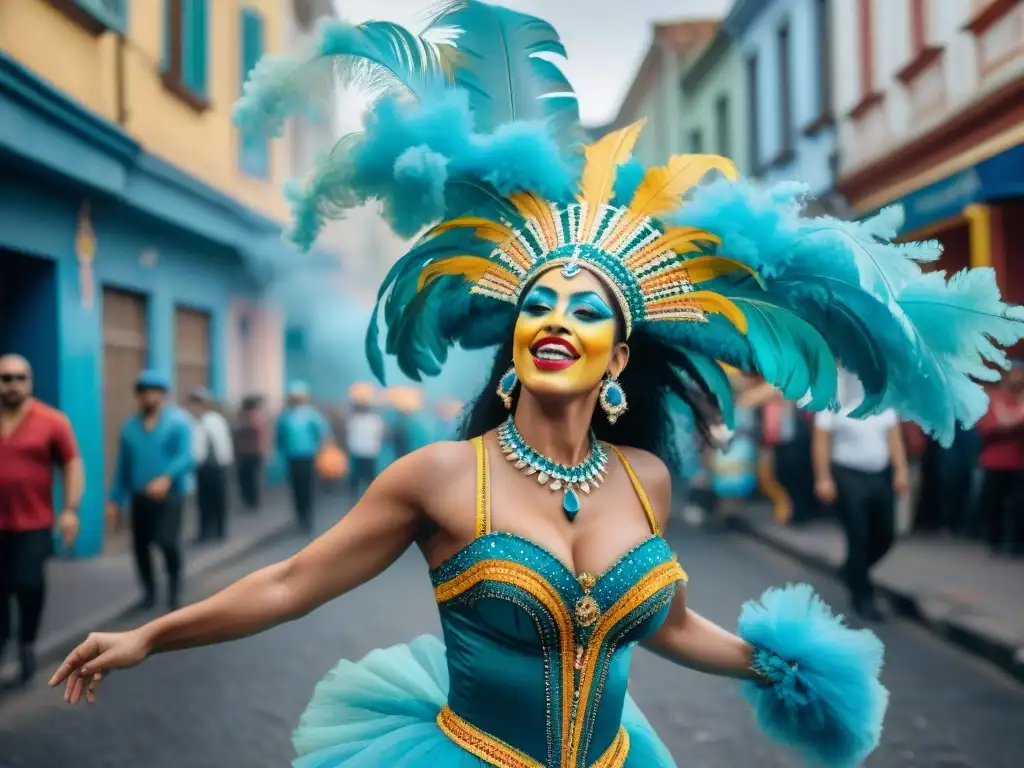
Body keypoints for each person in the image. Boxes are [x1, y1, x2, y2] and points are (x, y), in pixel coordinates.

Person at [51, 5, 1024, 767]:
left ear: (615, 360)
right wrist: (150, 636)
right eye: (538, 304)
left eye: (587, 310)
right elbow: (291, 580)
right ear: (513, 342)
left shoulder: (644, 475)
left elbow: (669, 623)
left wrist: (778, 663)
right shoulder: (439, 477)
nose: (557, 318)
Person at [0, 354, 83, 685]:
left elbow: (72, 464)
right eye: (6, 378)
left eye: (21, 377)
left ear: (30, 382)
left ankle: (27, 643)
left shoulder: (52, 421)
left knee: (29, 585)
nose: (13, 384)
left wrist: (70, 509)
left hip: (33, 524)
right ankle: (4, 638)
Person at [812, 370, 910, 621]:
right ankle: (863, 598)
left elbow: (893, 436)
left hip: (879, 474)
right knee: (859, 535)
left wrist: (901, 469)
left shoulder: (881, 396)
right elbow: (821, 440)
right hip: (848, 474)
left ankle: (852, 570)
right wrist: (823, 478)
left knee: (886, 534)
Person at [107, 371, 194, 612]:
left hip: (170, 495)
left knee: (167, 542)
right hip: (140, 496)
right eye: (143, 391)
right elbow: (123, 465)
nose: (148, 396)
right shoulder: (130, 428)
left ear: (163, 394)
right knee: (140, 546)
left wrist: (167, 477)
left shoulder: (178, 422)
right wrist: (115, 498)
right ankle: (149, 593)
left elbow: (186, 456)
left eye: (154, 391)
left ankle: (175, 592)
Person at [976, 362, 1024, 556]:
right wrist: (1015, 423)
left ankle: (1016, 544)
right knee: (994, 503)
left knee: (1020, 506)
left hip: (1019, 463)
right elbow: (987, 427)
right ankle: (994, 542)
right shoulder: (993, 399)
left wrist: (1008, 423)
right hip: (995, 461)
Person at [276, 382, 331, 533]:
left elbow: (323, 433)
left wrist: (321, 450)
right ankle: (299, 516)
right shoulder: (286, 416)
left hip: (308, 456)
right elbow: (280, 436)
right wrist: (280, 452)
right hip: (291, 457)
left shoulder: (312, 415)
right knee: (295, 488)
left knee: (307, 487)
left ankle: (307, 517)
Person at [187, 388, 234, 542]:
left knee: (219, 498)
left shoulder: (215, 420)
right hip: (201, 467)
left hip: (217, 466)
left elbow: (223, 443)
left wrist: (225, 462)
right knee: (203, 500)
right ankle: (205, 531)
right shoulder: (193, 422)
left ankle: (221, 529)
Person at [233, 395, 268, 512]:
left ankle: (253, 501)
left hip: (254, 452)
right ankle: (247, 499)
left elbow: (258, 430)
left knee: (252, 478)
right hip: (243, 453)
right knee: (244, 478)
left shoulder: (256, 416)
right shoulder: (242, 416)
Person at [346, 399, 385, 499]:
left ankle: (363, 497)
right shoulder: (372, 420)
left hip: (364, 452)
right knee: (360, 477)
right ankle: (362, 497)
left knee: (363, 477)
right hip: (364, 452)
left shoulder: (355, 419)